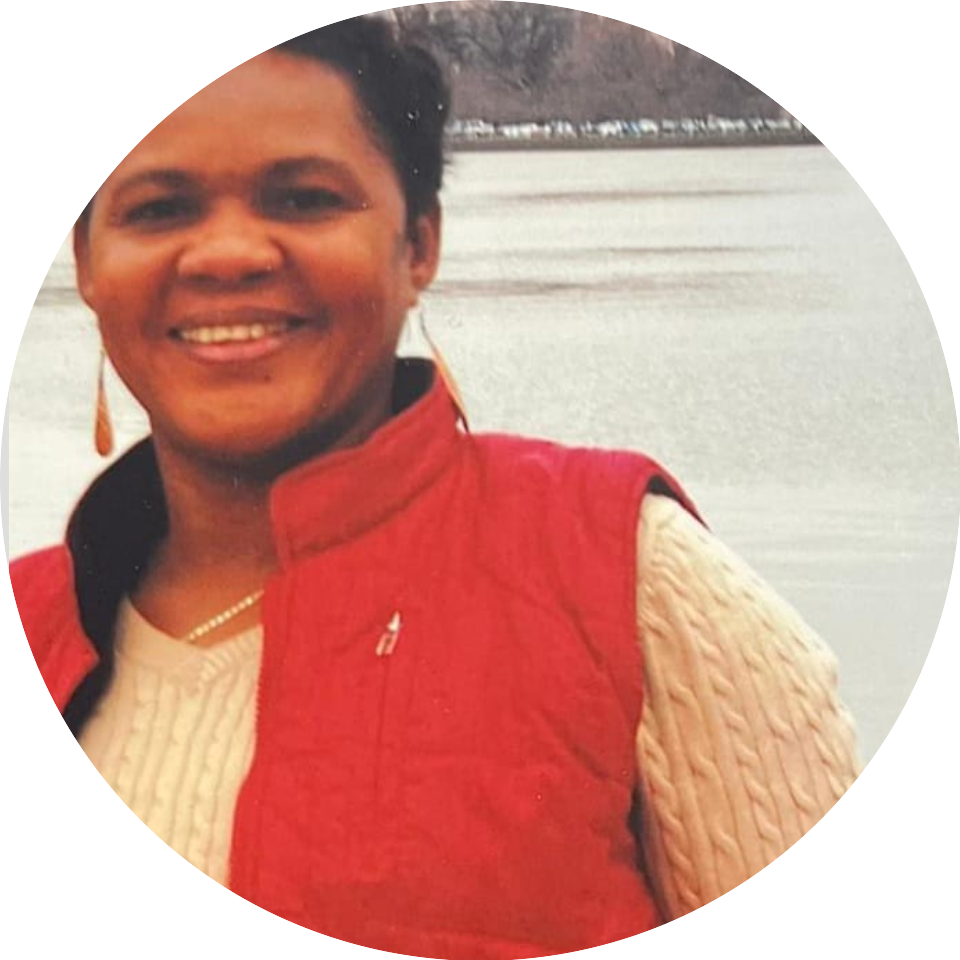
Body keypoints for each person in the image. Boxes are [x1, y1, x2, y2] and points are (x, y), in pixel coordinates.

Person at [11, 16, 859, 956]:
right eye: (159, 209)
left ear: (419, 246)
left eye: (303, 198)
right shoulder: (35, 613)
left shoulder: (624, 571)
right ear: (87, 264)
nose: (228, 254)